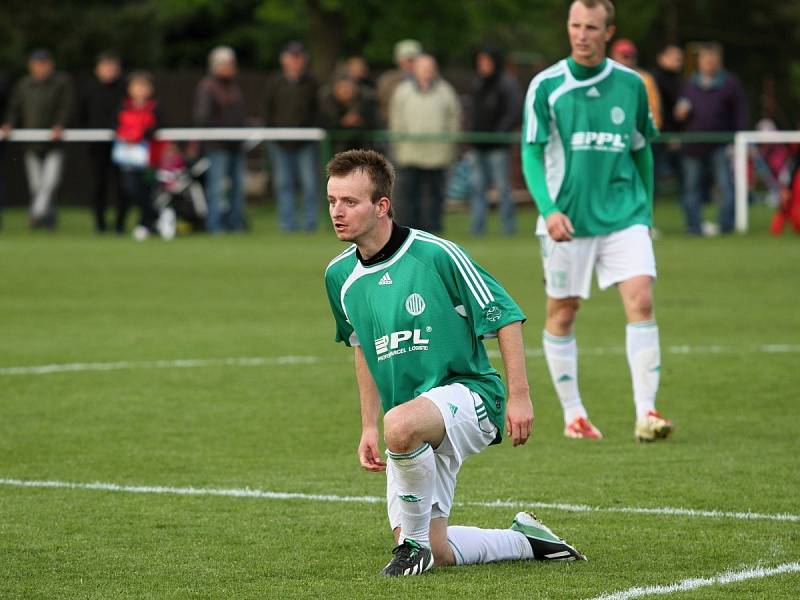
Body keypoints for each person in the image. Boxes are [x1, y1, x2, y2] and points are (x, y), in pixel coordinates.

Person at [324, 148, 585, 576]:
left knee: (402, 428)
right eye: (332, 200)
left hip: (472, 396)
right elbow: (361, 348)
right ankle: (527, 541)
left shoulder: (436, 254)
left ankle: (411, 546)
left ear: (382, 206)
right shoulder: (339, 277)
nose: (337, 211)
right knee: (439, 549)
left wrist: (520, 398)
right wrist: (369, 426)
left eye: (350, 202)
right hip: (410, 422)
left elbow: (507, 315)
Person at [521, 0, 673, 442]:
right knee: (563, 313)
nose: (581, 34)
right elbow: (531, 151)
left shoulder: (631, 84)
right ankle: (574, 415)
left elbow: (641, 147)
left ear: (609, 32)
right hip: (567, 219)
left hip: (623, 212)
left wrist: (644, 210)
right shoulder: (546, 85)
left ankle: (647, 412)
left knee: (641, 300)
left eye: (591, 27)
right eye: (575, 25)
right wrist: (549, 210)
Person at [674, 42, 748, 236]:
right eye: (706, 60)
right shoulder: (689, 83)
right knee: (691, 188)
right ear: (700, 61)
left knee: (725, 186)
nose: (709, 63)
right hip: (692, 145)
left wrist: (739, 139)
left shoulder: (730, 83)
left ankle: (726, 226)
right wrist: (679, 118)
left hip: (720, 144)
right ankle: (694, 227)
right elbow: (679, 113)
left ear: (719, 60)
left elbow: (740, 113)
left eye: (713, 60)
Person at [3, 49, 74, 230]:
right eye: (37, 64)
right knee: (37, 185)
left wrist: (60, 124)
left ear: (51, 65)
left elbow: (66, 107)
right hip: (31, 143)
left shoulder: (61, 83)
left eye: (44, 63)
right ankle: (48, 220)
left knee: (49, 183)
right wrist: (9, 124)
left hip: (53, 143)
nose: (41, 68)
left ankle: (36, 213)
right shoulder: (24, 84)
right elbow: (15, 108)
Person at [389, 54, 461, 232]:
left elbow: (455, 118)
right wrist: (400, 145)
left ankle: (432, 232)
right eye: (423, 68)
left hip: (437, 155)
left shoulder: (445, 91)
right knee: (407, 195)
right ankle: (407, 232)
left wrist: (449, 143)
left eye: (430, 68)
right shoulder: (402, 91)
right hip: (409, 154)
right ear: (415, 70)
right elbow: (396, 120)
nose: (427, 72)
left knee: (434, 196)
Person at [263, 41, 320, 232]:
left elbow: (317, 111)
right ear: (284, 60)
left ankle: (310, 224)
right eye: (292, 57)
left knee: (310, 184)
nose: (296, 61)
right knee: (284, 184)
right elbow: (267, 111)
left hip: (305, 142)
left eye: (299, 57)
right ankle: (287, 224)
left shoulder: (312, 83)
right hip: (279, 143)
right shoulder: (274, 82)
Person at [467, 46, 521, 235]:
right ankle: (477, 229)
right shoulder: (477, 83)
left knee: (503, 189)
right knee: (477, 188)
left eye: (487, 62)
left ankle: (508, 228)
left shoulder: (506, 83)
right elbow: (473, 112)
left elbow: (513, 111)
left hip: (497, 146)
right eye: (480, 62)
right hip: (478, 145)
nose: (483, 66)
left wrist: (497, 134)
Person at [194, 46, 247, 234]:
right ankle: (215, 226)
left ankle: (236, 224)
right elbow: (203, 117)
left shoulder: (233, 87)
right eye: (228, 64)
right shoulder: (207, 87)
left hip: (235, 144)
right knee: (216, 188)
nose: (232, 68)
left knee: (237, 188)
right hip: (217, 145)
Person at [80, 51, 126, 233]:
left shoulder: (125, 88)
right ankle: (100, 225)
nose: (108, 70)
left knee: (122, 186)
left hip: (123, 145)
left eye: (112, 66)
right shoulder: (88, 89)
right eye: (104, 66)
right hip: (97, 145)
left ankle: (120, 224)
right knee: (99, 185)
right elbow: (81, 115)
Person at [112, 71, 161, 240]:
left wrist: (140, 133)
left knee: (147, 190)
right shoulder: (122, 107)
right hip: (128, 157)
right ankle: (152, 216)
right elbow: (115, 126)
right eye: (137, 86)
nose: (140, 90)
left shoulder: (155, 108)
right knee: (130, 188)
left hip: (149, 159)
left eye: (144, 86)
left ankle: (146, 223)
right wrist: (128, 134)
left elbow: (158, 127)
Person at [609, 38, 662, 129]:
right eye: (623, 56)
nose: (626, 61)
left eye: (630, 56)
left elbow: (654, 111)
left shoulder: (645, 79)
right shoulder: (605, 78)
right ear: (613, 57)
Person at [319, 74, 378, 154]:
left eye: (349, 87)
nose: (346, 90)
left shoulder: (364, 103)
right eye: (343, 87)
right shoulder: (328, 105)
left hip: (361, 150)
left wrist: (360, 121)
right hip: (335, 151)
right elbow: (324, 125)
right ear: (335, 89)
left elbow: (373, 123)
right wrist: (343, 122)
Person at [376, 39, 421, 126]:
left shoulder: (432, 81)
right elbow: (382, 104)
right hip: (395, 126)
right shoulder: (388, 80)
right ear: (399, 61)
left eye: (413, 60)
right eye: (407, 60)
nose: (410, 64)